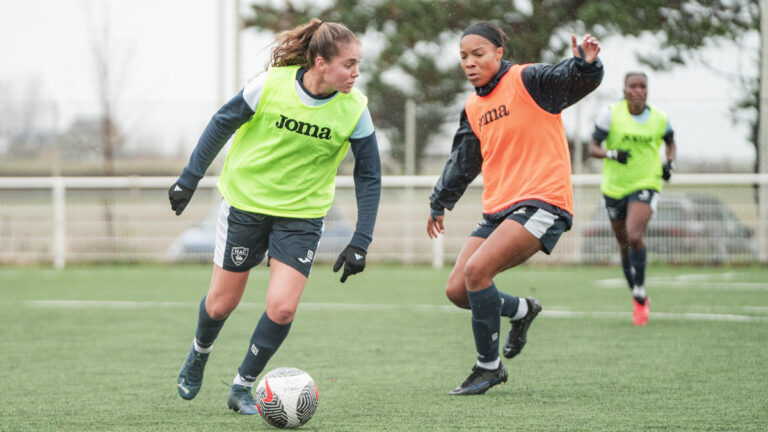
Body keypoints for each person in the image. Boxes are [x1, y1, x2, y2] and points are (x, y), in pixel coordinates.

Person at [168, 19, 381, 414]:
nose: (356, 73)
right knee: (220, 304)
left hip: (302, 216)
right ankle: (199, 353)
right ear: (320, 62)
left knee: (282, 307)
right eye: (348, 64)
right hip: (246, 207)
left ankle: (242, 387)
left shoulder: (355, 108)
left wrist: (360, 240)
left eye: (358, 65)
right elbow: (221, 124)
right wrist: (188, 179)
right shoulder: (270, 85)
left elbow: (369, 176)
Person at [427, 21, 603, 395]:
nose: (470, 63)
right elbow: (463, 160)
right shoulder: (473, 106)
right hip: (498, 210)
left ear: (498, 53)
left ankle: (487, 367)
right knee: (458, 290)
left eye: (478, 54)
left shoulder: (529, 80)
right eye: (463, 57)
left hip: (543, 201)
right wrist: (440, 201)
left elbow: (568, 78)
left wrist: (585, 65)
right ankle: (522, 310)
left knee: (477, 272)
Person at [587, 72, 676, 326]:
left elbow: (671, 143)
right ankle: (638, 296)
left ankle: (639, 290)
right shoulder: (611, 113)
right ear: (624, 89)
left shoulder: (660, 118)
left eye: (643, 86)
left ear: (647, 90)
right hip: (614, 187)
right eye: (633, 86)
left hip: (646, 181)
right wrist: (612, 153)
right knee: (623, 243)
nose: (638, 90)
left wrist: (669, 163)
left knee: (634, 235)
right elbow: (592, 147)